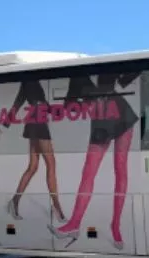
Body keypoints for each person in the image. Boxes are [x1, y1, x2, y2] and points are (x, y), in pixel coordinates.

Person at [50, 72, 139, 248]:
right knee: (88, 173)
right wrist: (87, 104)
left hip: (121, 112)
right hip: (101, 121)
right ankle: (74, 224)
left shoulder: (106, 64)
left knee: (120, 171)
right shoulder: (76, 73)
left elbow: (126, 79)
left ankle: (115, 225)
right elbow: (69, 106)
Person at [6, 79, 65, 222]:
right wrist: (5, 123)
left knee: (33, 166)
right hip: (38, 121)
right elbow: (20, 100)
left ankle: (14, 201)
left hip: (36, 120)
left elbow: (40, 101)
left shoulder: (31, 81)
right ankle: (56, 207)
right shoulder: (29, 80)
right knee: (51, 164)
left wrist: (55, 110)